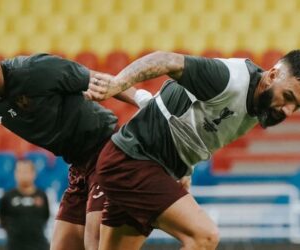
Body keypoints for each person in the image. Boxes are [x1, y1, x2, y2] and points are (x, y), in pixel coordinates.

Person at [0, 24, 152, 250]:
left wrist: (145, 101)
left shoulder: (35, 69)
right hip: (78, 167)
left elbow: (101, 81)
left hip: (107, 150)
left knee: (95, 243)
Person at [85, 50, 300, 249]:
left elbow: (196, 126)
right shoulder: (229, 79)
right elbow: (164, 60)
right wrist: (118, 83)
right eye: (289, 97)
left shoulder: (260, 105)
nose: (288, 111)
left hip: (153, 168)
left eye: (297, 106)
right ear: (272, 75)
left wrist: (186, 168)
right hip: (134, 159)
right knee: (205, 236)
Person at [0, 159, 50, 250]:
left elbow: (46, 216)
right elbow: (1, 218)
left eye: (26, 171)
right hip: (15, 246)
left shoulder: (42, 195)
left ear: (34, 173)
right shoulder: (7, 196)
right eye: (20, 171)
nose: (23, 174)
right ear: (15, 174)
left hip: (39, 246)